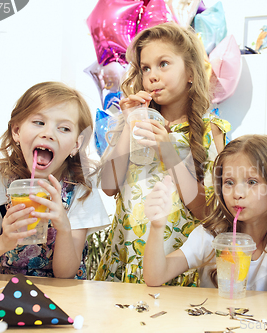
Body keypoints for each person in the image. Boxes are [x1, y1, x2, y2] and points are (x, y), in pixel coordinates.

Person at [95, 22, 230, 285]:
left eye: (163, 64)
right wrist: (128, 121)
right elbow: (109, 187)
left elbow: (208, 211)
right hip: (125, 261)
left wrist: (168, 151)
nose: (152, 75)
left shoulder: (210, 131)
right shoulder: (136, 125)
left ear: (190, 72)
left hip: (175, 268)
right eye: (146, 68)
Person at [0, 82, 109, 278]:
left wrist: (63, 226)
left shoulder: (81, 190)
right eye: (39, 122)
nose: (48, 133)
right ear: (16, 131)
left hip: (61, 298)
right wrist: (3, 241)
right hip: (4, 294)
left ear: (75, 145)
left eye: (63, 128)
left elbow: (66, 274)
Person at [143, 135, 267, 298]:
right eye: (229, 182)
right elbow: (155, 276)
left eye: (252, 182)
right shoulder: (211, 234)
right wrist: (157, 227)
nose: (238, 193)